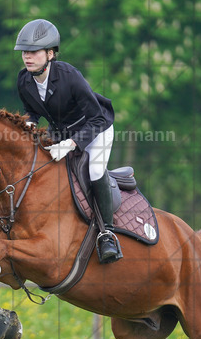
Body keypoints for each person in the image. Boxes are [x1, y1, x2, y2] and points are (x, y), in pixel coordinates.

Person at [14, 18, 123, 263]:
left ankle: (107, 234)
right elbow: (31, 110)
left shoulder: (69, 76)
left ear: (50, 53)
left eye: (33, 52)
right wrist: (28, 123)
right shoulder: (24, 80)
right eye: (24, 52)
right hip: (61, 132)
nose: (27, 57)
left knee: (94, 170)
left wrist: (70, 144)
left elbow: (96, 119)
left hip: (96, 128)